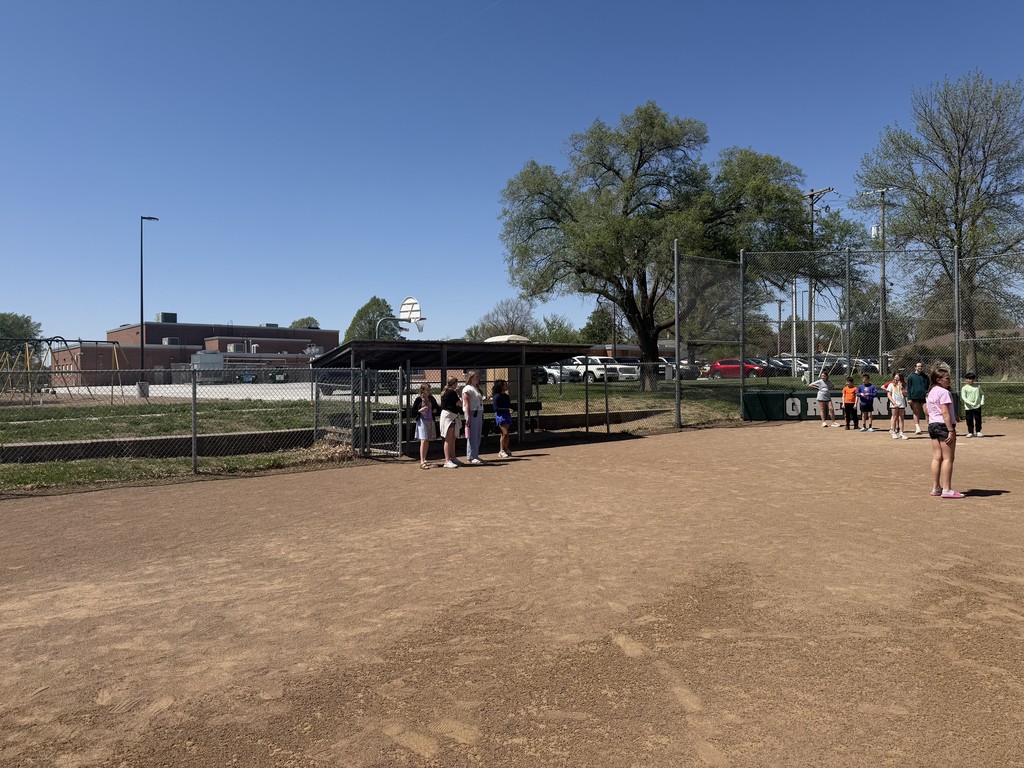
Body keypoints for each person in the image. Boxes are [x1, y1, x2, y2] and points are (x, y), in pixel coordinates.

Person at [926, 367, 963, 498]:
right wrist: (951, 430)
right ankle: (947, 489)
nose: (949, 380)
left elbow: (928, 410)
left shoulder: (931, 392)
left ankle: (936, 487)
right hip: (943, 426)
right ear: (938, 380)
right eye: (947, 378)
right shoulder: (944, 392)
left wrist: (954, 415)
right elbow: (945, 412)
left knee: (937, 457)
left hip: (933, 425)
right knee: (948, 458)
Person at [411, 383, 440, 469]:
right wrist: (420, 410)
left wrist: (435, 410)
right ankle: (422, 461)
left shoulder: (431, 399)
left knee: (427, 440)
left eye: (429, 390)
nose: (429, 392)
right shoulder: (419, 400)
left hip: (430, 421)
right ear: (422, 391)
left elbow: (437, 408)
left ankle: (425, 458)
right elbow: (413, 412)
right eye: (427, 390)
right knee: (423, 440)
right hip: (422, 421)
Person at [439, 377, 463, 469]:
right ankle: (447, 460)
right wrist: (459, 393)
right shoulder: (451, 392)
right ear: (454, 384)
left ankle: (453, 458)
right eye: (456, 383)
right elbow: (460, 403)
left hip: (452, 416)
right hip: (448, 416)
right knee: (448, 439)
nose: (457, 385)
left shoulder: (449, 391)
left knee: (452, 438)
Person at [462, 370, 485, 464]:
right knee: (472, 435)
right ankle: (471, 456)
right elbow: (466, 403)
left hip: (479, 412)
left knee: (478, 434)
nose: (477, 378)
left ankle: (475, 455)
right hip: (472, 413)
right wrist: (467, 417)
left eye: (477, 377)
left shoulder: (476, 388)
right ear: (470, 378)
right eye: (475, 377)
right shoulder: (467, 388)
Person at [491, 379, 514, 457]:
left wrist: (510, 409)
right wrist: (507, 409)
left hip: (507, 415)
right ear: (501, 387)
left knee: (506, 434)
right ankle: (501, 450)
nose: (507, 386)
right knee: (505, 433)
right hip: (500, 416)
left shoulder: (506, 396)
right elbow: (495, 409)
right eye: (505, 385)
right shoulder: (496, 396)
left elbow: (508, 405)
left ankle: (506, 449)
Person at [906, 361, 930, 435]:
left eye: (921, 366)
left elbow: (927, 385)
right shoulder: (911, 377)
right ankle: (917, 428)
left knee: (927, 412)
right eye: (918, 366)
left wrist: (926, 392)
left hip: (924, 397)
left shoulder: (925, 376)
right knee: (916, 412)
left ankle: (930, 427)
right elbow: (908, 388)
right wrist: (909, 398)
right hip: (914, 397)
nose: (920, 367)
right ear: (915, 367)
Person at [961, 372, 985, 438]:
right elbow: (964, 397)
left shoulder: (977, 387)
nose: (970, 380)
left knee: (978, 418)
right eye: (969, 379)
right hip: (968, 407)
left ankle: (978, 431)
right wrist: (970, 403)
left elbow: (982, 394)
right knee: (969, 419)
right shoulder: (964, 388)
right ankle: (970, 432)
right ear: (966, 379)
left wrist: (982, 401)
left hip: (977, 406)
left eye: (972, 379)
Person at [885, 372, 909, 439]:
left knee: (901, 418)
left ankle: (901, 432)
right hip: (894, 403)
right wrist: (893, 402)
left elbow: (905, 394)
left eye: (897, 379)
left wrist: (901, 387)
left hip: (901, 403)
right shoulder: (891, 385)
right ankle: (893, 431)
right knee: (894, 417)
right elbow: (889, 394)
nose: (896, 380)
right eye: (895, 378)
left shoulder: (903, 385)